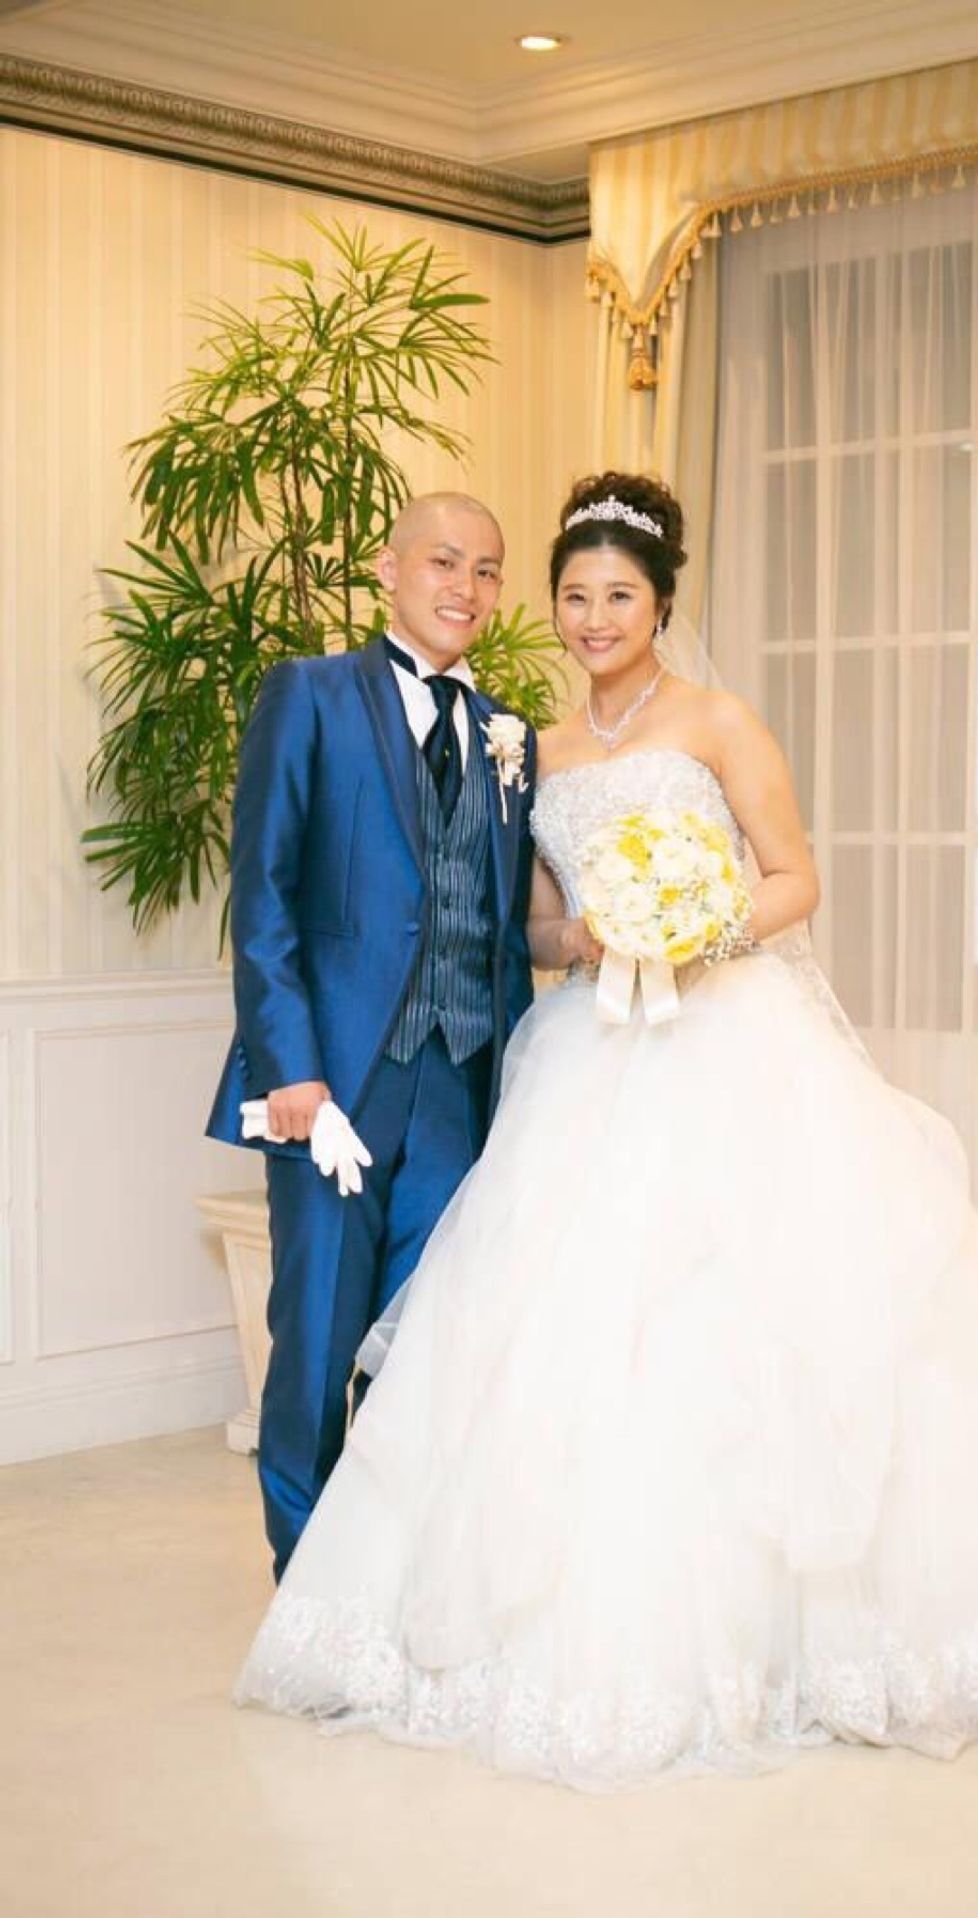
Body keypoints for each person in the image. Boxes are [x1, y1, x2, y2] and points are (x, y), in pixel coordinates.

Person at [234, 472, 978, 1785]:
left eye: (620, 595)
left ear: (662, 603)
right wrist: (597, 931)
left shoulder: (714, 722)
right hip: (583, 1053)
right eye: (574, 595)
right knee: (545, 1332)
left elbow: (794, 875)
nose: (595, 617)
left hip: (729, 1042)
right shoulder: (531, 744)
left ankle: (784, 1640)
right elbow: (527, 922)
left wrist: (696, 925)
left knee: (762, 1325)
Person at [207, 492, 537, 1581]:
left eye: (486, 570)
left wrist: (522, 1083)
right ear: (389, 569)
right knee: (314, 1346)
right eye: (443, 561)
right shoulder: (307, 694)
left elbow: (500, 926)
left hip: (461, 1085)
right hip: (337, 1087)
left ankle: (390, 1587)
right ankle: (305, 1594)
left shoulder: (510, 735)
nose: (465, 588)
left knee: (423, 1352)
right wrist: (290, 1071)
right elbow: (263, 899)